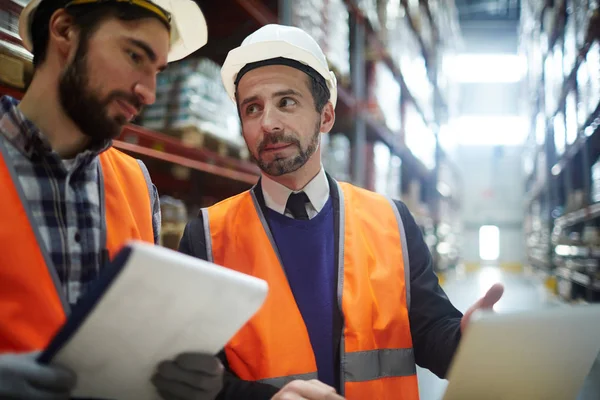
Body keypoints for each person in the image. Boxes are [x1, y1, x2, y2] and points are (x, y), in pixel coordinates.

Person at [178, 24, 505, 400]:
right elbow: (195, 376)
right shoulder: (207, 235)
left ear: (326, 116)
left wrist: (467, 337)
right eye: (252, 108)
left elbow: (432, 333)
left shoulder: (391, 223)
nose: (268, 123)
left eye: (286, 102)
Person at [0, 1, 223, 399]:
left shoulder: (137, 185)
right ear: (65, 31)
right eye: (134, 55)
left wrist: (180, 377)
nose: (149, 93)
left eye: (156, 72)